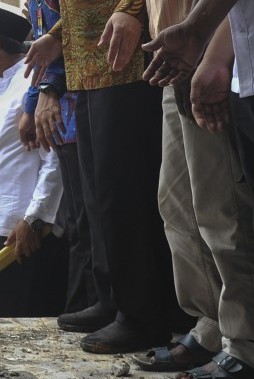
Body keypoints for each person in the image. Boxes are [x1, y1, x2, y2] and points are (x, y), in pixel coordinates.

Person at [25, 0, 182, 353]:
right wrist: (56, 34)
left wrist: (130, 8)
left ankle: (142, 315)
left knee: (124, 192)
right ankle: (113, 298)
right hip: (87, 65)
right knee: (98, 194)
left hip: (127, 60)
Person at [153, 10, 254, 379]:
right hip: (182, 50)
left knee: (221, 207)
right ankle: (211, 325)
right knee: (177, 205)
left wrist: (208, 47)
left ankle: (244, 343)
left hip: (216, 47)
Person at [0, 5, 64, 317]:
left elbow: (53, 159)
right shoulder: (5, 83)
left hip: (18, 228)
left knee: (13, 322)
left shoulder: (30, 84)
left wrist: (34, 218)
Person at [19, 0, 100, 317]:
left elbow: (73, 37)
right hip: (61, 122)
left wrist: (49, 91)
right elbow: (39, 61)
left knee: (93, 221)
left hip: (80, 108)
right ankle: (84, 304)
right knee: (80, 223)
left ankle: (97, 304)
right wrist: (31, 105)